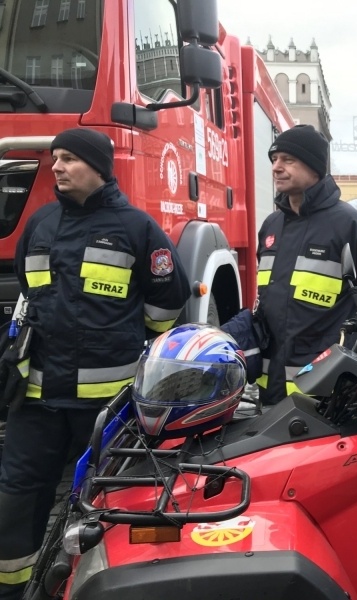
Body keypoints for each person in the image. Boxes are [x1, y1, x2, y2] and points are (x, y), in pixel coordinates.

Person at [0, 128, 190, 600]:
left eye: (69, 159)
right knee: (16, 498)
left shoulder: (138, 229)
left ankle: (101, 586)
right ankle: (11, 587)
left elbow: (168, 303)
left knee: (113, 504)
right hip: (38, 402)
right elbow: (29, 296)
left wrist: (129, 342)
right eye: (56, 158)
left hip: (106, 408)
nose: (58, 167)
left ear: (98, 167)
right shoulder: (40, 225)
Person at [253, 124, 357, 405]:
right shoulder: (271, 226)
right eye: (274, 159)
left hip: (326, 391)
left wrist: (350, 351)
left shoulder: (351, 225)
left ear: (314, 167)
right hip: (270, 391)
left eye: (288, 159)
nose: (276, 167)